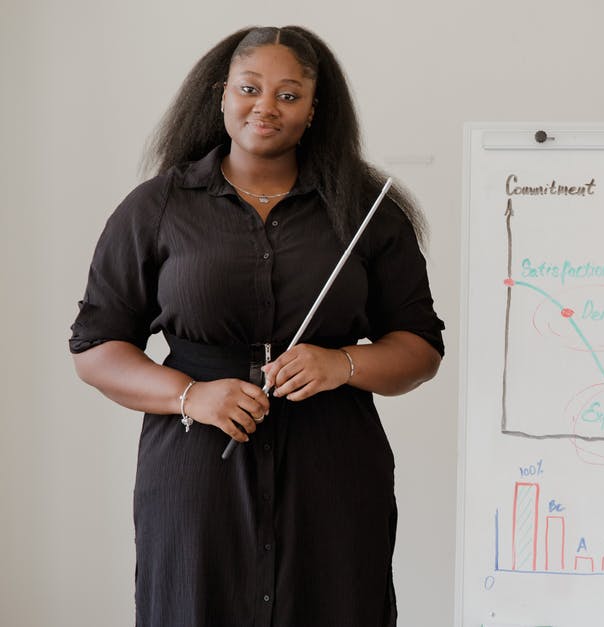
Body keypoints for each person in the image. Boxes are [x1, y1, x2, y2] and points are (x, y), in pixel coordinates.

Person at [69, 26, 444, 627]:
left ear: (315, 109)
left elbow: (420, 348)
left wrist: (340, 363)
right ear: (221, 95)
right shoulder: (156, 207)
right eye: (249, 88)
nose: (266, 106)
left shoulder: (368, 212)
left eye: (289, 94)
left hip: (333, 470)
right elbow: (94, 347)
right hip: (196, 473)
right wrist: (190, 394)